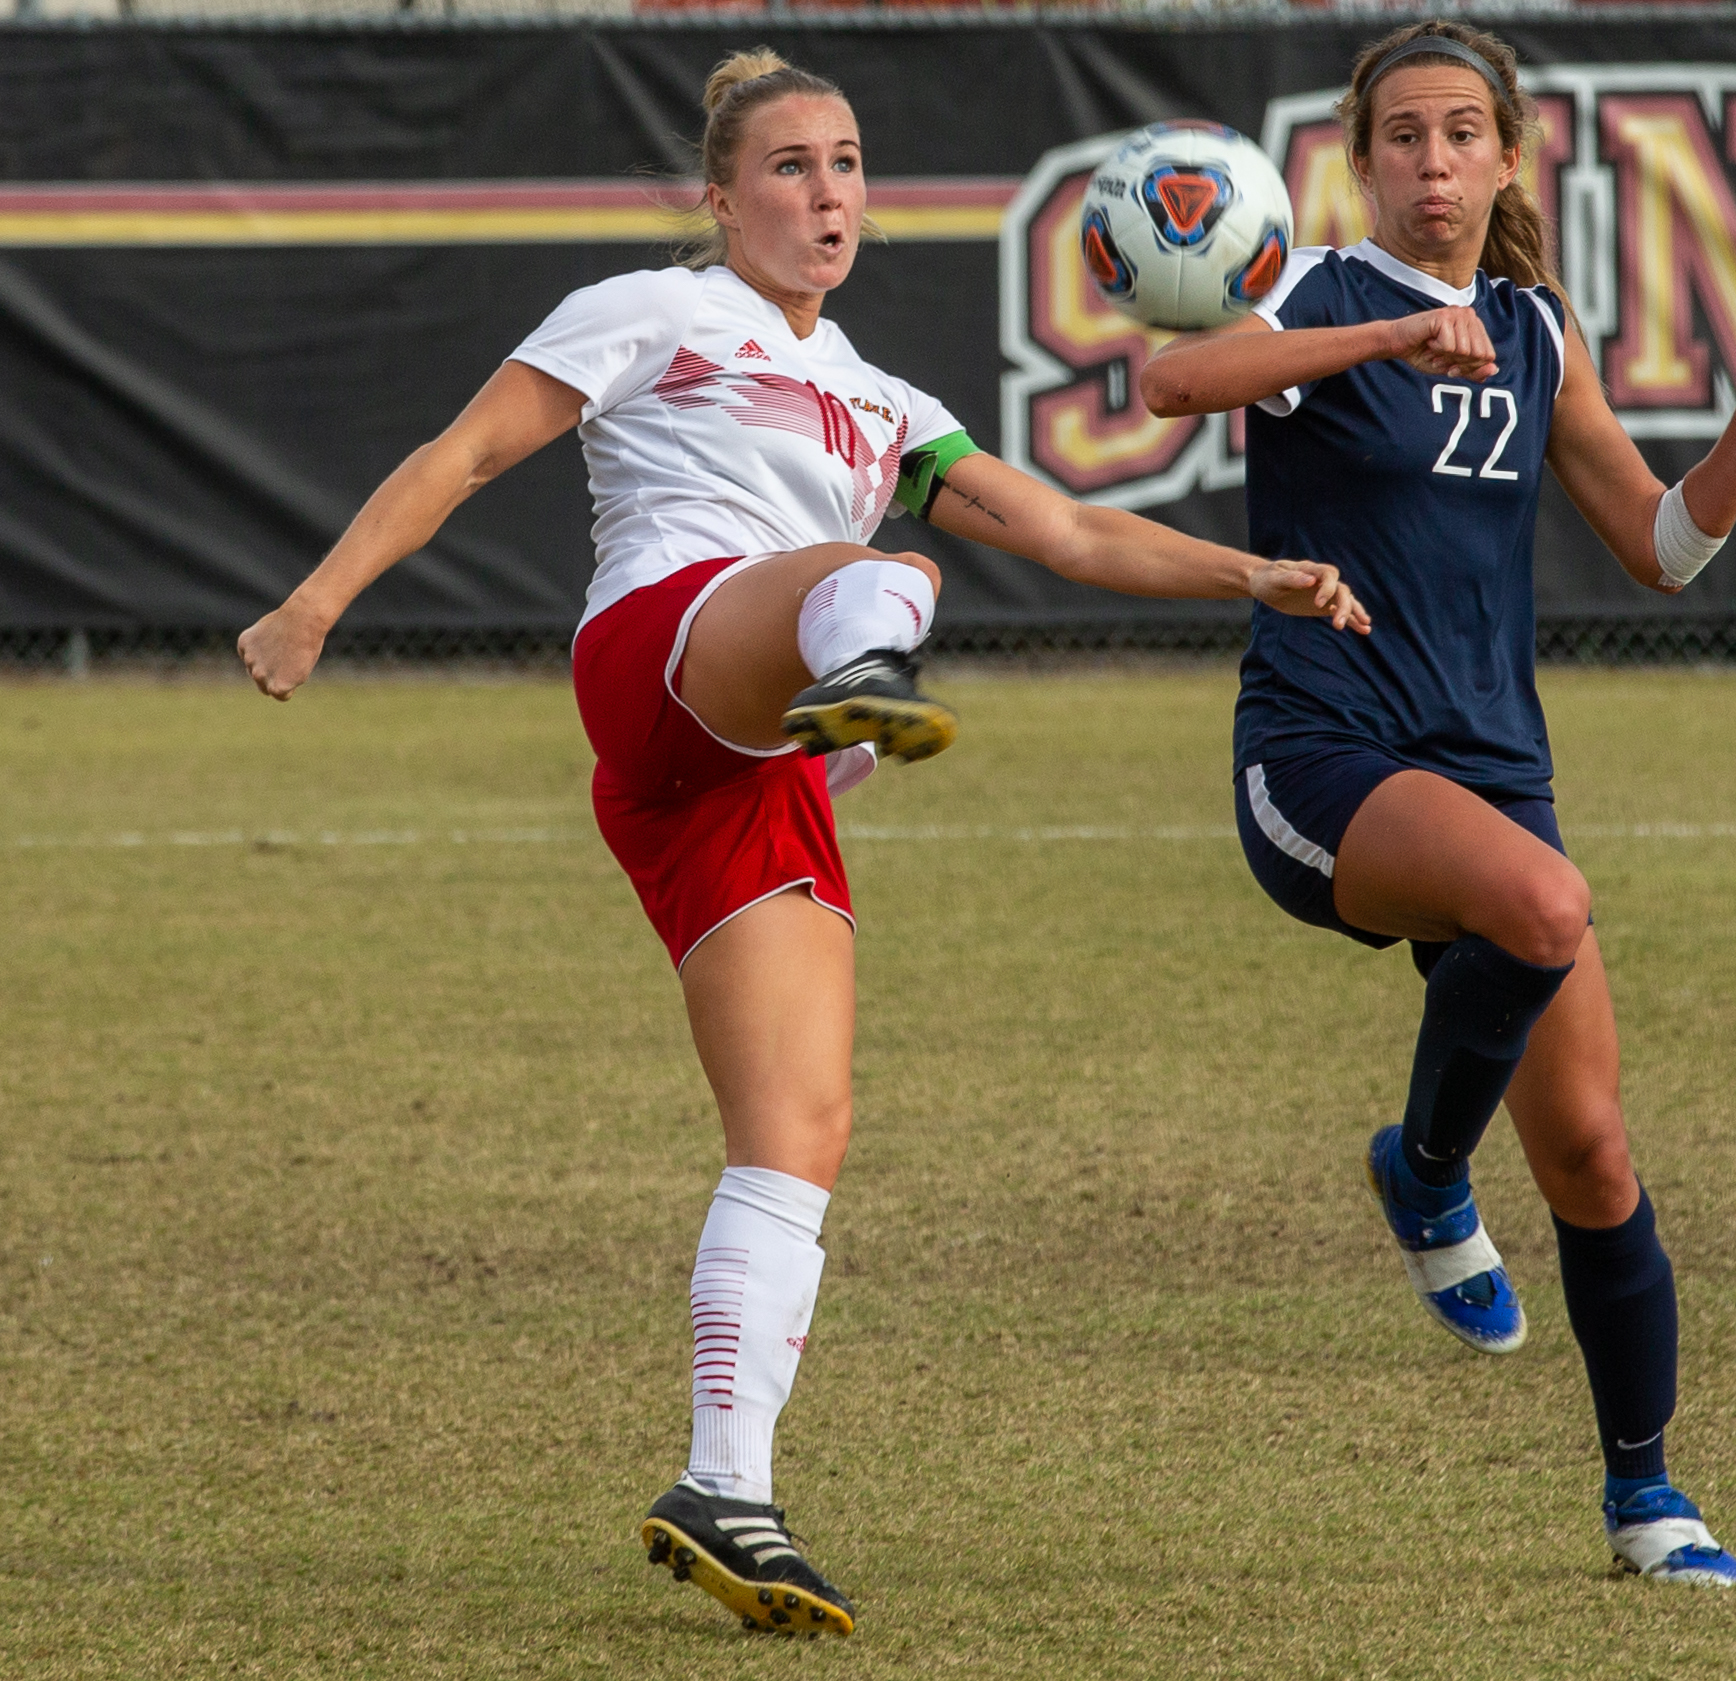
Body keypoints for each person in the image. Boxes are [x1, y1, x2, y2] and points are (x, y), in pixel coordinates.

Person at [236, 47, 1367, 1640]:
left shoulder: (890, 402)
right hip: (659, 656)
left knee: (799, 1134)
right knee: (880, 577)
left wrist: (1253, 576)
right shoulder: (652, 309)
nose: (825, 192)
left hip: (734, 772)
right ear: (720, 198)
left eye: (844, 165)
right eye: (788, 166)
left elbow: (1067, 527)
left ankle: (724, 1485)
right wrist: (313, 604)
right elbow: (465, 455)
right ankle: (862, 674)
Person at [1142, 20, 1736, 1588]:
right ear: (1359, 156)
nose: (1433, 161)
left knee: (1589, 1151)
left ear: (1507, 155)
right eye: (1402, 136)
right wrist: (1378, 341)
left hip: (1491, 767)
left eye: (1462, 134)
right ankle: (1430, 1171)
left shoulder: (1534, 327)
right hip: (1322, 755)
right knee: (1544, 905)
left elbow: (1660, 547)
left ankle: (1646, 1497)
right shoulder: (1311, 291)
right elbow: (1176, 377)